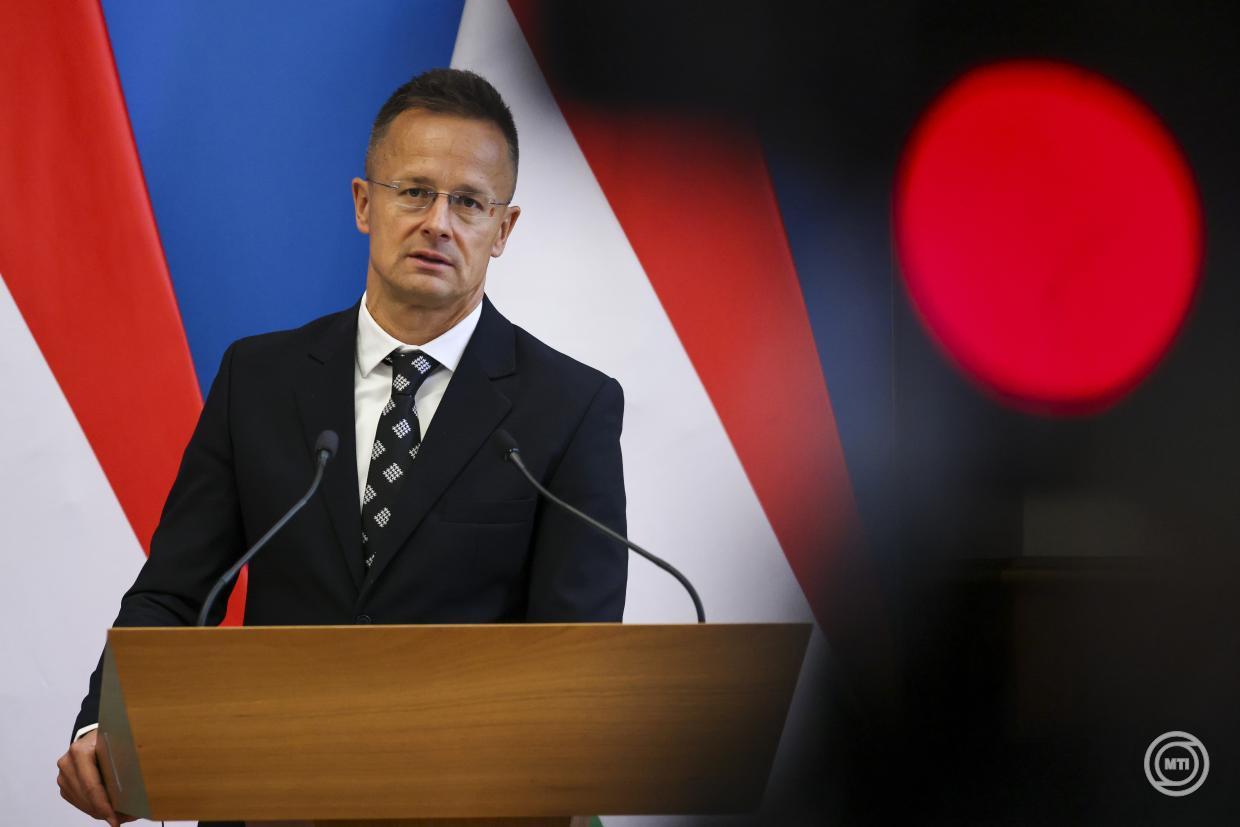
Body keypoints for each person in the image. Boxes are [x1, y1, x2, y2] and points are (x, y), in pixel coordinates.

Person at [55, 68, 628, 826]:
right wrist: (104, 726)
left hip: (470, 811)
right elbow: (175, 592)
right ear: (364, 203)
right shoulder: (259, 379)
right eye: (414, 191)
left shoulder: (570, 406)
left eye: (468, 202)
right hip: (269, 799)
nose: (438, 223)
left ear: (503, 229)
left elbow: (576, 655)